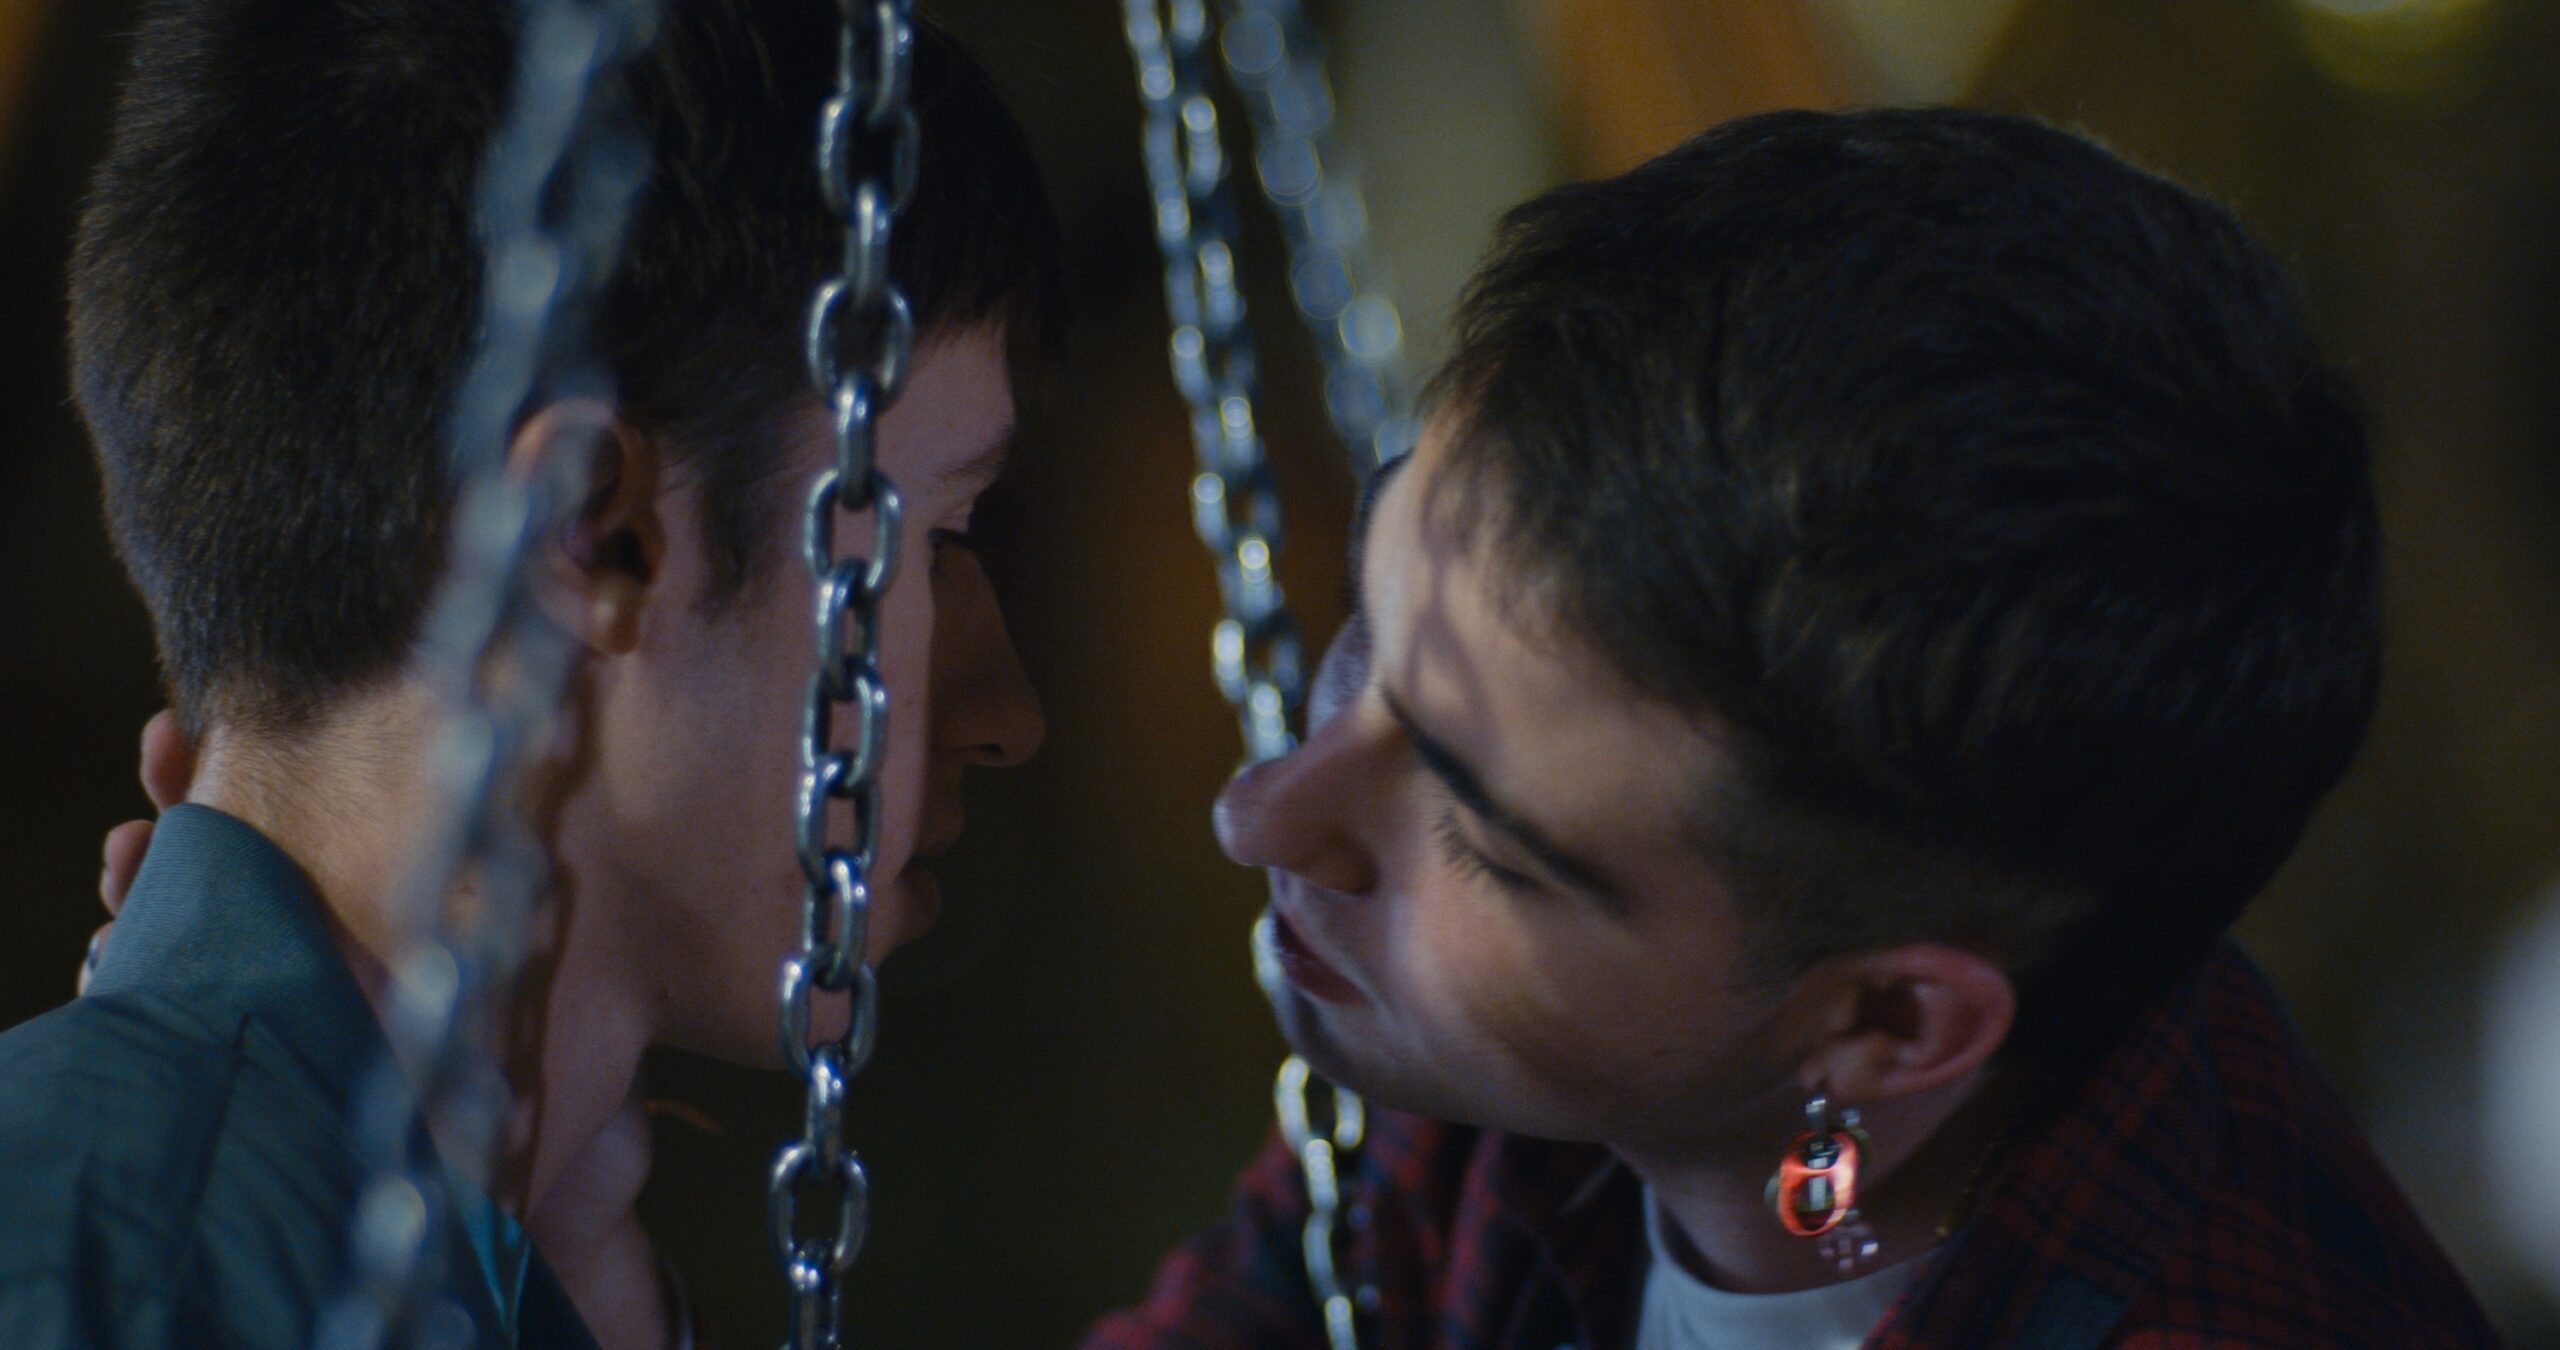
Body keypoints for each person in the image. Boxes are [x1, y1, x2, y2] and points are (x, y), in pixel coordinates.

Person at [1084, 110, 2505, 1348]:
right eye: (1366, 625)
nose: (1263, 810)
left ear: (1883, 1024)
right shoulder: (1529, 1065)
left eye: (1478, 835)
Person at [0, 1, 1054, 1345]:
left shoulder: (240, 1237)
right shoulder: (123, 1272)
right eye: (938, 540)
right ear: (592, 532)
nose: (1011, 716)